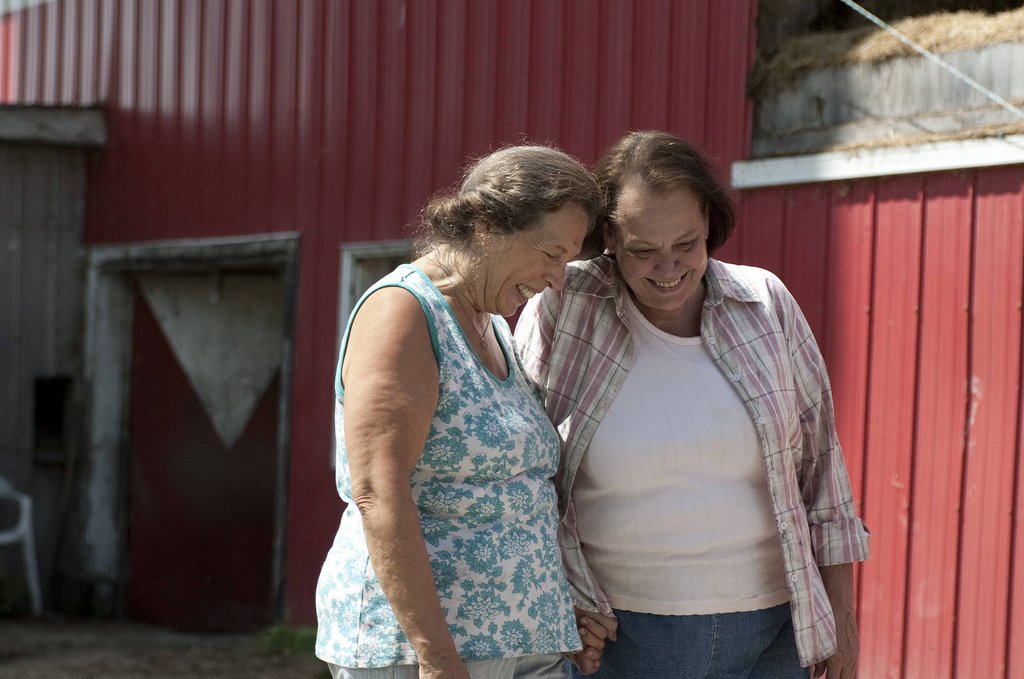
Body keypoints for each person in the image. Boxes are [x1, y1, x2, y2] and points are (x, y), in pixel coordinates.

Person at [515, 131, 870, 679]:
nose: (667, 267)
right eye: (642, 250)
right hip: (620, 636)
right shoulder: (562, 306)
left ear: (709, 222)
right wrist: (565, 602)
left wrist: (842, 619)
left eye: (687, 244)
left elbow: (822, 470)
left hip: (777, 633)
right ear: (607, 235)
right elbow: (526, 476)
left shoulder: (765, 302)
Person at [315, 145, 614, 679]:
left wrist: (552, 610)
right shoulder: (403, 313)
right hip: (421, 654)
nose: (557, 280)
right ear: (484, 225)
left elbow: (510, 493)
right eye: (550, 254)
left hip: (521, 643)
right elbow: (377, 492)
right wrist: (437, 658)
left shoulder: (494, 324)